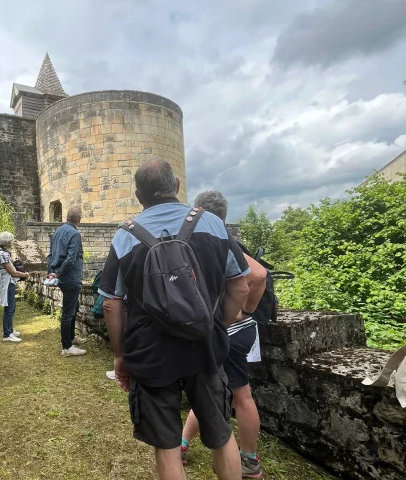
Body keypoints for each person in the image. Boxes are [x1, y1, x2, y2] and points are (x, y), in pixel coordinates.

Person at [99, 158, 251, 480]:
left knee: (167, 447)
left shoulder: (125, 236)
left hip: (151, 352)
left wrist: (119, 356)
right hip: (204, 347)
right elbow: (241, 285)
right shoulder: (211, 223)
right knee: (222, 436)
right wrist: (215, 323)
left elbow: (112, 305)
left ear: (139, 196)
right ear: (178, 187)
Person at [181, 191, 267, 478]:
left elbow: (257, 275)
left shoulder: (220, 239)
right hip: (231, 330)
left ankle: (249, 461)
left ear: (201, 211)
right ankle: (183, 442)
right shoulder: (217, 238)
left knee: (241, 396)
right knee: (210, 389)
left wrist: (244, 311)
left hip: (231, 329)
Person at [46, 206, 88, 356]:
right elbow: (71, 259)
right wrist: (57, 273)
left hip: (62, 277)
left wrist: (51, 271)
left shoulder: (58, 231)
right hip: (70, 277)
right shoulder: (74, 233)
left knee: (73, 307)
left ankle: (71, 338)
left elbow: (50, 254)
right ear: (79, 219)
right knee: (68, 312)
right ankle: (67, 347)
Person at [0, 231, 29, 342]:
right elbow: (13, 272)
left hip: (7, 281)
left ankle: (10, 329)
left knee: (11, 307)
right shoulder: (3, 254)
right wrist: (25, 275)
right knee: (9, 308)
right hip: (7, 282)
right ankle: (7, 334)